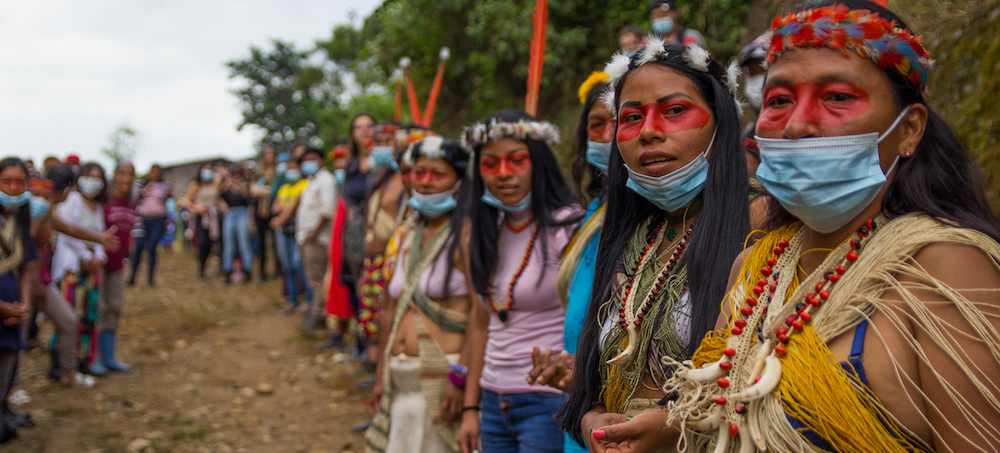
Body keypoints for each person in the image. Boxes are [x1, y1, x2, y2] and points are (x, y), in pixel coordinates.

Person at [663, 2, 1000, 452]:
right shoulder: (753, 269)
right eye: (779, 101)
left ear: (909, 129)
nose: (797, 124)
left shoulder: (944, 268)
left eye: (838, 97)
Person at [561, 38, 749, 452]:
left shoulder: (761, 226)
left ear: (721, 121)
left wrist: (674, 424)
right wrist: (592, 417)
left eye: (675, 110)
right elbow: (593, 379)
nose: (648, 131)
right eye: (631, 117)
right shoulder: (633, 232)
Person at [457, 110, 584, 453]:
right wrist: (471, 408)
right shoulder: (482, 233)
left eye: (516, 160)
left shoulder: (569, 226)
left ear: (539, 162)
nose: (503, 173)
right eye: (490, 164)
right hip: (492, 399)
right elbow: (481, 324)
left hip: (548, 398)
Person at [365, 137, 475, 453]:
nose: (425, 182)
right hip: (401, 381)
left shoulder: (466, 235)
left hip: (444, 380)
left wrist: (461, 380)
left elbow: (480, 315)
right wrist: (381, 375)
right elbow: (388, 309)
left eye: (438, 174)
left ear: (459, 182)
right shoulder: (405, 235)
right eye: (419, 172)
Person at [527, 71, 614, 453]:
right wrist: (574, 370)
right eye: (597, 124)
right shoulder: (594, 210)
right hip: (582, 408)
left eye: (623, 119)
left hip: (624, 419)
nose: (608, 134)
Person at [52, 162, 111, 376]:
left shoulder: (97, 207)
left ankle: (85, 359)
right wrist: (86, 256)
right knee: (68, 314)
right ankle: (60, 362)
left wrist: (98, 256)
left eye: (98, 177)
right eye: (89, 176)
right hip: (71, 267)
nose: (93, 181)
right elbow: (67, 231)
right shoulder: (73, 200)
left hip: (91, 270)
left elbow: (101, 236)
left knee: (89, 314)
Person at [0, 158, 40, 442]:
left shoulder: (20, 219)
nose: (13, 188)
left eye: (19, 182)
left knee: (6, 371)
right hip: (4, 309)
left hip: (11, 310)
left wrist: (23, 305)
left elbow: (26, 267)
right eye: (6, 182)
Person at [100, 162, 136, 372]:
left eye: (130, 174)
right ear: (114, 175)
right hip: (97, 263)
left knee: (114, 307)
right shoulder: (105, 200)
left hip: (117, 265)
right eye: (122, 173)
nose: (126, 178)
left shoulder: (132, 202)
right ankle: (91, 356)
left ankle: (108, 356)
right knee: (97, 308)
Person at [296, 149, 337, 330]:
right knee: (313, 278)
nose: (308, 163)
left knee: (319, 278)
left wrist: (315, 232)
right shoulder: (311, 181)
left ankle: (319, 315)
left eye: (312, 159)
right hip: (308, 238)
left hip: (317, 239)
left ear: (321, 161)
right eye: (305, 160)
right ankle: (316, 311)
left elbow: (328, 210)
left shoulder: (326, 180)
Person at [270, 159, 310, 313]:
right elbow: (275, 208)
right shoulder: (284, 188)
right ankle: (292, 300)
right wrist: (287, 207)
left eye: (294, 168)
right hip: (284, 231)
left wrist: (281, 215)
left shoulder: (304, 184)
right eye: (289, 168)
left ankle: (308, 300)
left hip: (297, 231)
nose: (291, 171)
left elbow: (291, 207)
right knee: (287, 267)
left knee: (298, 265)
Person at [130, 164, 172, 286]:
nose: (155, 175)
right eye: (153, 172)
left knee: (152, 247)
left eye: (158, 172)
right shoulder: (142, 185)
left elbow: (170, 197)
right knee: (138, 247)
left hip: (158, 220)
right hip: (142, 220)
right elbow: (134, 197)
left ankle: (150, 279)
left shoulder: (165, 186)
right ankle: (132, 277)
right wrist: (145, 190)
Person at [182, 164, 226, 278]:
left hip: (214, 216)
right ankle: (202, 267)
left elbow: (218, 198)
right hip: (201, 216)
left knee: (216, 242)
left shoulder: (215, 184)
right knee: (203, 243)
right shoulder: (195, 185)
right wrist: (197, 207)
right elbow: (187, 201)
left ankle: (221, 266)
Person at [220, 163, 254, 283]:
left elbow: (248, 196)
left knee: (244, 243)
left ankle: (247, 269)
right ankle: (227, 270)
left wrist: (239, 186)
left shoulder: (246, 185)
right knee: (229, 244)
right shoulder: (227, 185)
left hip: (243, 213)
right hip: (230, 213)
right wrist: (227, 183)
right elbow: (219, 194)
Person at [252, 146, 278, 282]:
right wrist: (265, 191)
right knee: (261, 243)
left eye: (271, 153)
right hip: (260, 212)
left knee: (276, 242)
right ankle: (262, 272)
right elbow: (253, 190)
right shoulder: (258, 173)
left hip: (274, 211)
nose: (269, 156)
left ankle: (278, 270)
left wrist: (264, 191)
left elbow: (277, 190)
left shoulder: (278, 172)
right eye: (267, 154)